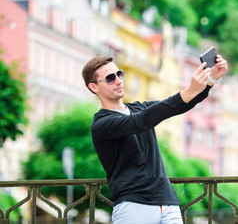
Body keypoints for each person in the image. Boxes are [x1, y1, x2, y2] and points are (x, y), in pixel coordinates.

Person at [81, 54, 228, 224]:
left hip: (168, 203)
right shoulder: (102, 124)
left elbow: (177, 106)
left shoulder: (139, 107)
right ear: (94, 87)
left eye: (119, 74)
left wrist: (210, 80)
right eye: (110, 78)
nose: (119, 81)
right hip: (134, 207)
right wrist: (189, 89)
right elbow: (143, 120)